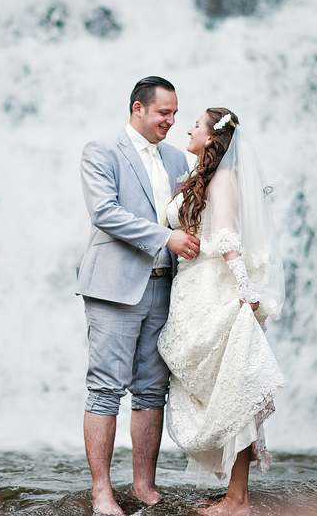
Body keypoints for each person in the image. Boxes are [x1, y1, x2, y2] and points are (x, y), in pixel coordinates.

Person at [76, 76, 201, 516]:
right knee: (105, 389)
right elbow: (105, 213)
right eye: (164, 113)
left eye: (175, 114)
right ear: (138, 109)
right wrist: (166, 237)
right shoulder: (101, 151)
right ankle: (101, 493)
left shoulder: (176, 158)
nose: (171, 121)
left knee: (152, 391)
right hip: (114, 288)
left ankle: (144, 487)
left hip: (166, 287)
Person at [157, 107, 287, 516]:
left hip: (219, 295)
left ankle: (239, 500)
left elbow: (228, 234)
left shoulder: (225, 177)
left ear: (213, 138)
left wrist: (246, 292)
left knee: (236, 396)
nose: (188, 128)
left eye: (195, 123)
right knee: (220, 394)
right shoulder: (201, 178)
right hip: (192, 292)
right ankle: (233, 492)